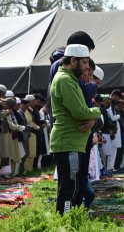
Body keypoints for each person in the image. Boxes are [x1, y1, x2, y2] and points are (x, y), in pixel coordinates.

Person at [50, 44, 101, 215]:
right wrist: (96, 111)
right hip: (68, 142)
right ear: (73, 60)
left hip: (72, 142)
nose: (87, 67)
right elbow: (80, 112)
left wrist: (91, 116)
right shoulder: (65, 80)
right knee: (69, 189)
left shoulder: (69, 79)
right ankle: (64, 219)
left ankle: (66, 219)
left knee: (71, 186)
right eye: (85, 63)